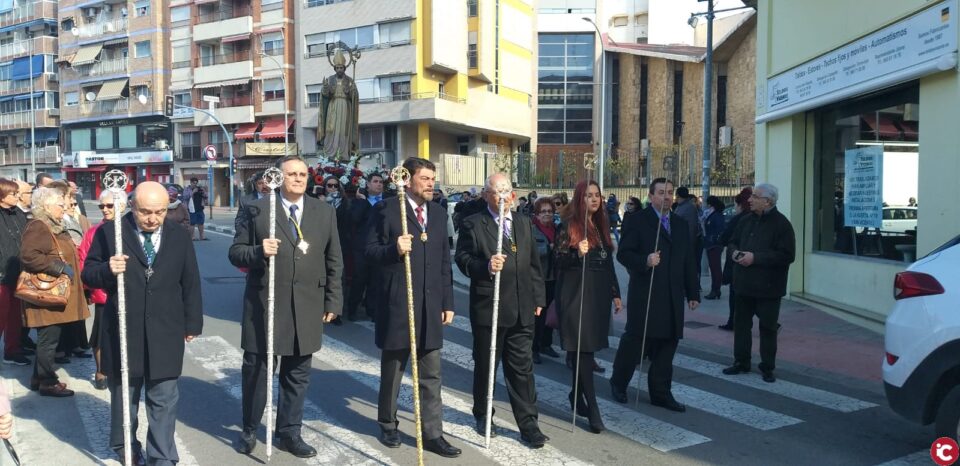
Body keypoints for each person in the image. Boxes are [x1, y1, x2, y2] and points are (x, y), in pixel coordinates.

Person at [229, 156, 343, 458]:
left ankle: (289, 432)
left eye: (303, 174)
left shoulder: (324, 211)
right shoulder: (257, 209)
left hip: (306, 304)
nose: (298, 178)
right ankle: (250, 429)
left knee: (297, 374)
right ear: (278, 178)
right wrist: (257, 251)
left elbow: (334, 259)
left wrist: (333, 299)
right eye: (291, 174)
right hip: (264, 303)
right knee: (257, 371)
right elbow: (236, 253)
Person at [81, 182, 203, 465]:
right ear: (132, 207)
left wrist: (191, 323)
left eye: (159, 212)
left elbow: (191, 281)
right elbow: (88, 273)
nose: (153, 218)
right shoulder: (110, 232)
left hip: (166, 328)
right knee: (126, 396)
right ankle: (126, 446)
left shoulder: (178, 235)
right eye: (146, 212)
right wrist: (108, 269)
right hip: (124, 328)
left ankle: (162, 455)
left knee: (164, 397)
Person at [366, 157, 461, 458]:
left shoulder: (438, 212)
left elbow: (445, 261)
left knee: (432, 375)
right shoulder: (387, 210)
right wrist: (394, 249)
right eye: (425, 178)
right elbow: (369, 252)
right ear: (408, 180)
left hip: (430, 304)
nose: (431, 183)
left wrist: (447, 301)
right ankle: (388, 424)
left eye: (433, 178)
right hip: (398, 303)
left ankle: (433, 433)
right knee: (393, 371)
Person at [454, 173, 549, 448]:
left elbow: (533, 264)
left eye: (506, 191)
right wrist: (485, 266)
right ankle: (484, 415)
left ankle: (529, 424)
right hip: (490, 309)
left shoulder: (522, 222)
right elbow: (462, 260)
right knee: (486, 367)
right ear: (486, 195)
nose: (502, 196)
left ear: (512, 194)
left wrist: (538, 298)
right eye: (496, 192)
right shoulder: (473, 224)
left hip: (522, 308)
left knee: (522, 369)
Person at [610, 178, 699, 412]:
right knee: (635, 343)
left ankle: (661, 393)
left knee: (667, 346)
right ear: (651, 196)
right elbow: (624, 254)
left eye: (670, 192)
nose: (667, 197)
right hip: (647, 293)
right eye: (661, 192)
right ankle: (619, 383)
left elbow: (688, 260)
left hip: (672, 296)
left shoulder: (679, 224)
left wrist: (693, 291)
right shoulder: (638, 221)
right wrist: (645, 261)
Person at [553, 180, 621, 434]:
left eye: (598, 195)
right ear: (580, 199)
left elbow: (608, 264)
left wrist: (615, 292)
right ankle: (593, 409)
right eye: (589, 196)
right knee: (584, 352)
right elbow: (557, 261)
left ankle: (575, 395)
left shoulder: (602, 227)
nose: (595, 199)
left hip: (598, 294)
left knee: (586, 350)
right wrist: (575, 255)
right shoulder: (568, 227)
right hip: (574, 295)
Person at [19, 187, 90, 397]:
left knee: (48, 338)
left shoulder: (52, 224)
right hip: (46, 295)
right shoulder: (39, 226)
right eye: (61, 205)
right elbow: (29, 256)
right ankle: (48, 382)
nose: (64, 208)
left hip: (54, 294)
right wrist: (59, 267)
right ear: (47, 206)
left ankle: (37, 377)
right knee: (49, 340)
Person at [722, 183, 796, 383]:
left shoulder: (782, 225)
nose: (750, 199)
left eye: (755, 196)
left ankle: (767, 367)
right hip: (743, 284)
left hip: (769, 287)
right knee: (741, 325)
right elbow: (732, 242)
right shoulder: (745, 221)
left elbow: (787, 255)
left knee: (768, 328)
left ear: (768, 201)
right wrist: (735, 253)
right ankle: (741, 362)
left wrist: (755, 258)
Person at [79, 191, 128, 390]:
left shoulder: (131, 229)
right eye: (102, 206)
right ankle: (101, 372)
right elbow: (84, 261)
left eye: (109, 206)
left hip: (128, 294)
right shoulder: (95, 231)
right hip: (103, 294)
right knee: (100, 336)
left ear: (122, 206)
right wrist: (91, 287)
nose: (105, 210)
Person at [346, 172, 386, 321]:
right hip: (362, 247)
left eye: (381, 182)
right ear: (367, 184)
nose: (379, 184)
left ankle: (372, 310)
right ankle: (352, 309)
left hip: (380, 246)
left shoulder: (388, 201)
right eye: (375, 181)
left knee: (376, 280)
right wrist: (363, 202)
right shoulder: (359, 201)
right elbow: (355, 219)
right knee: (359, 279)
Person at [0, 178, 29, 365]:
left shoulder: (18, 213)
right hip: (1, 275)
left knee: (15, 317)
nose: (17, 196)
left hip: (19, 273)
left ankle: (12, 350)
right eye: (13, 193)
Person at [718, 188, 752, 330]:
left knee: (736, 295)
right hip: (752, 264)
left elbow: (725, 238)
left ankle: (734, 321)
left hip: (738, 262)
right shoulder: (756, 218)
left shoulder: (739, 219)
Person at [530, 197, 560, 363]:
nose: (547, 214)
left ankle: (546, 344)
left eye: (550, 211)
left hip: (554, 278)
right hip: (538, 279)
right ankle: (533, 348)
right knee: (538, 315)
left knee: (551, 313)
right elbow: (530, 251)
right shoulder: (532, 229)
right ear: (537, 214)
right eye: (543, 212)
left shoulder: (556, 229)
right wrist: (547, 249)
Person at [317, 49, 359, 160]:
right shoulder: (330, 80)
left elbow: (354, 97)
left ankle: (344, 154)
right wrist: (325, 88)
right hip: (333, 107)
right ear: (335, 68)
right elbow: (325, 95)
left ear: (344, 68)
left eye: (341, 68)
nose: (339, 70)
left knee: (343, 131)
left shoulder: (350, 80)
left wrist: (352, 91)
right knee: (331, 130)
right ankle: (330, 153)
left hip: (345, 108)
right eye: (337, 68)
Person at [322, 175, 352, 326]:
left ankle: (337, 311)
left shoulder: (346, 204)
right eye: (329, 186)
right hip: (321, 245)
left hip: (340, 244)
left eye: (335, 186)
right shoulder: (318, 204)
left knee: (338, 277)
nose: (333, 189)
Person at [673, 187, 703, 276]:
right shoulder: (680, 206)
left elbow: (692, 228)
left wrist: (689, 245)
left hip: (686, 243)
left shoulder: (689, 208)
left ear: (678, 195)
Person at [703, 196, 726, 300]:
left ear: (710, 204)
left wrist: (713, 240)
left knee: (715, 268)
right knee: (714, 268)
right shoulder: (712, 214)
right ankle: (715, 289)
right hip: (711, 244)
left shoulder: (716, 215)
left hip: (714, 245)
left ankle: (715, 289)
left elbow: (719, 230)